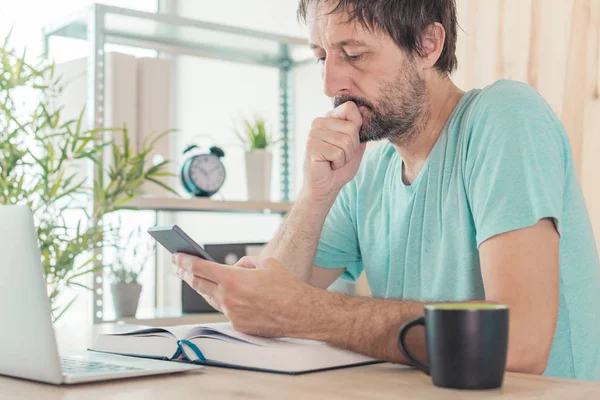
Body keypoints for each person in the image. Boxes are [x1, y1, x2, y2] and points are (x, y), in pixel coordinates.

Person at [172, 0, 600, 380]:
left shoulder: (505, 117)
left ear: (428, 45)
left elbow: (517, 342)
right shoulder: (368, 173)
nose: (329, 84)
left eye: (353, 54)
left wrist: (308, 313)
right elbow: (265, 304)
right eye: (321, 56)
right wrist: (316, 194)